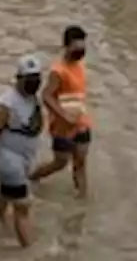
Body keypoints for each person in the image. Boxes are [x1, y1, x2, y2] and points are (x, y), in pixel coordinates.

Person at [0, 55, 45, 248]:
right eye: (30, 80)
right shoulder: (7, 102)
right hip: (10, 159)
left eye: (37, 80)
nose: (34, 84)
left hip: (25, 157)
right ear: (19, 79)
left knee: (5, 192)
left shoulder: (32, 98)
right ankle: (28, 250)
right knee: (22, 205)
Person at [30, 26, 92, 198]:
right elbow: (46, 95)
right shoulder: (58, 71)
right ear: (67, 46)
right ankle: (32, 178)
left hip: (82, 122)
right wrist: (63, 115)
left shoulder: (80, 66)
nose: (81, 51)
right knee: (60, 162)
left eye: (83, 47)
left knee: (80, 162)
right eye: (77, 47)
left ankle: (82, 198)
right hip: (62, 126)